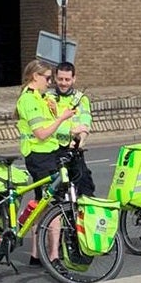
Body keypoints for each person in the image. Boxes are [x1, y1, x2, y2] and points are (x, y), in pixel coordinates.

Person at [16, 58, 77, 266]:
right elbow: (41, 133)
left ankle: (35, 254)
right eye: (48, 78)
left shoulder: (41, 98)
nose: (50, 82)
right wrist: (61, 118)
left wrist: (63, 122)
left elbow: (52, 128)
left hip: (49, 154)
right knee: (55, 205)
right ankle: (53, 256)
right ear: (35, 76)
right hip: (39, 156)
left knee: (42, 204)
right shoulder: (28, 100)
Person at [52, 60, 95, 195]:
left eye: (67, 79)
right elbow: (49, 125)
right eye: (60, 79)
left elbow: (86, 122)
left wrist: (80, 139)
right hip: (55, 150)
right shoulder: (48, 98)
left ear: (74, 79)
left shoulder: (81, 99)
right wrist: (71, 131)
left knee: (85, 188)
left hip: (74, 151)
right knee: (57, 193)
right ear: (55, 78)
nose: (63, 83)